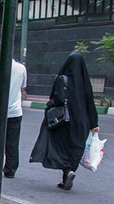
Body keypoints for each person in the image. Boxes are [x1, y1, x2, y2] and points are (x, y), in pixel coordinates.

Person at [30, 52, 100, 190]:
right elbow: (90, 103)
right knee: (75, 148)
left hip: (65, 120)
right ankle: (70, 171)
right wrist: (94, 123)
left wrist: (49, 105)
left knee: (62, 146)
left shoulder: (62, 79)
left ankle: (67, 171)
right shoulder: (85, 81)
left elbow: (57, 99)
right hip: (82, 122)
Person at [0, 49, 27, 178]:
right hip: (16, 111)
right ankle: (10, 169)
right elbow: (22, 88)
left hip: (0, 111)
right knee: (12, 142)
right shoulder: (22, 68)